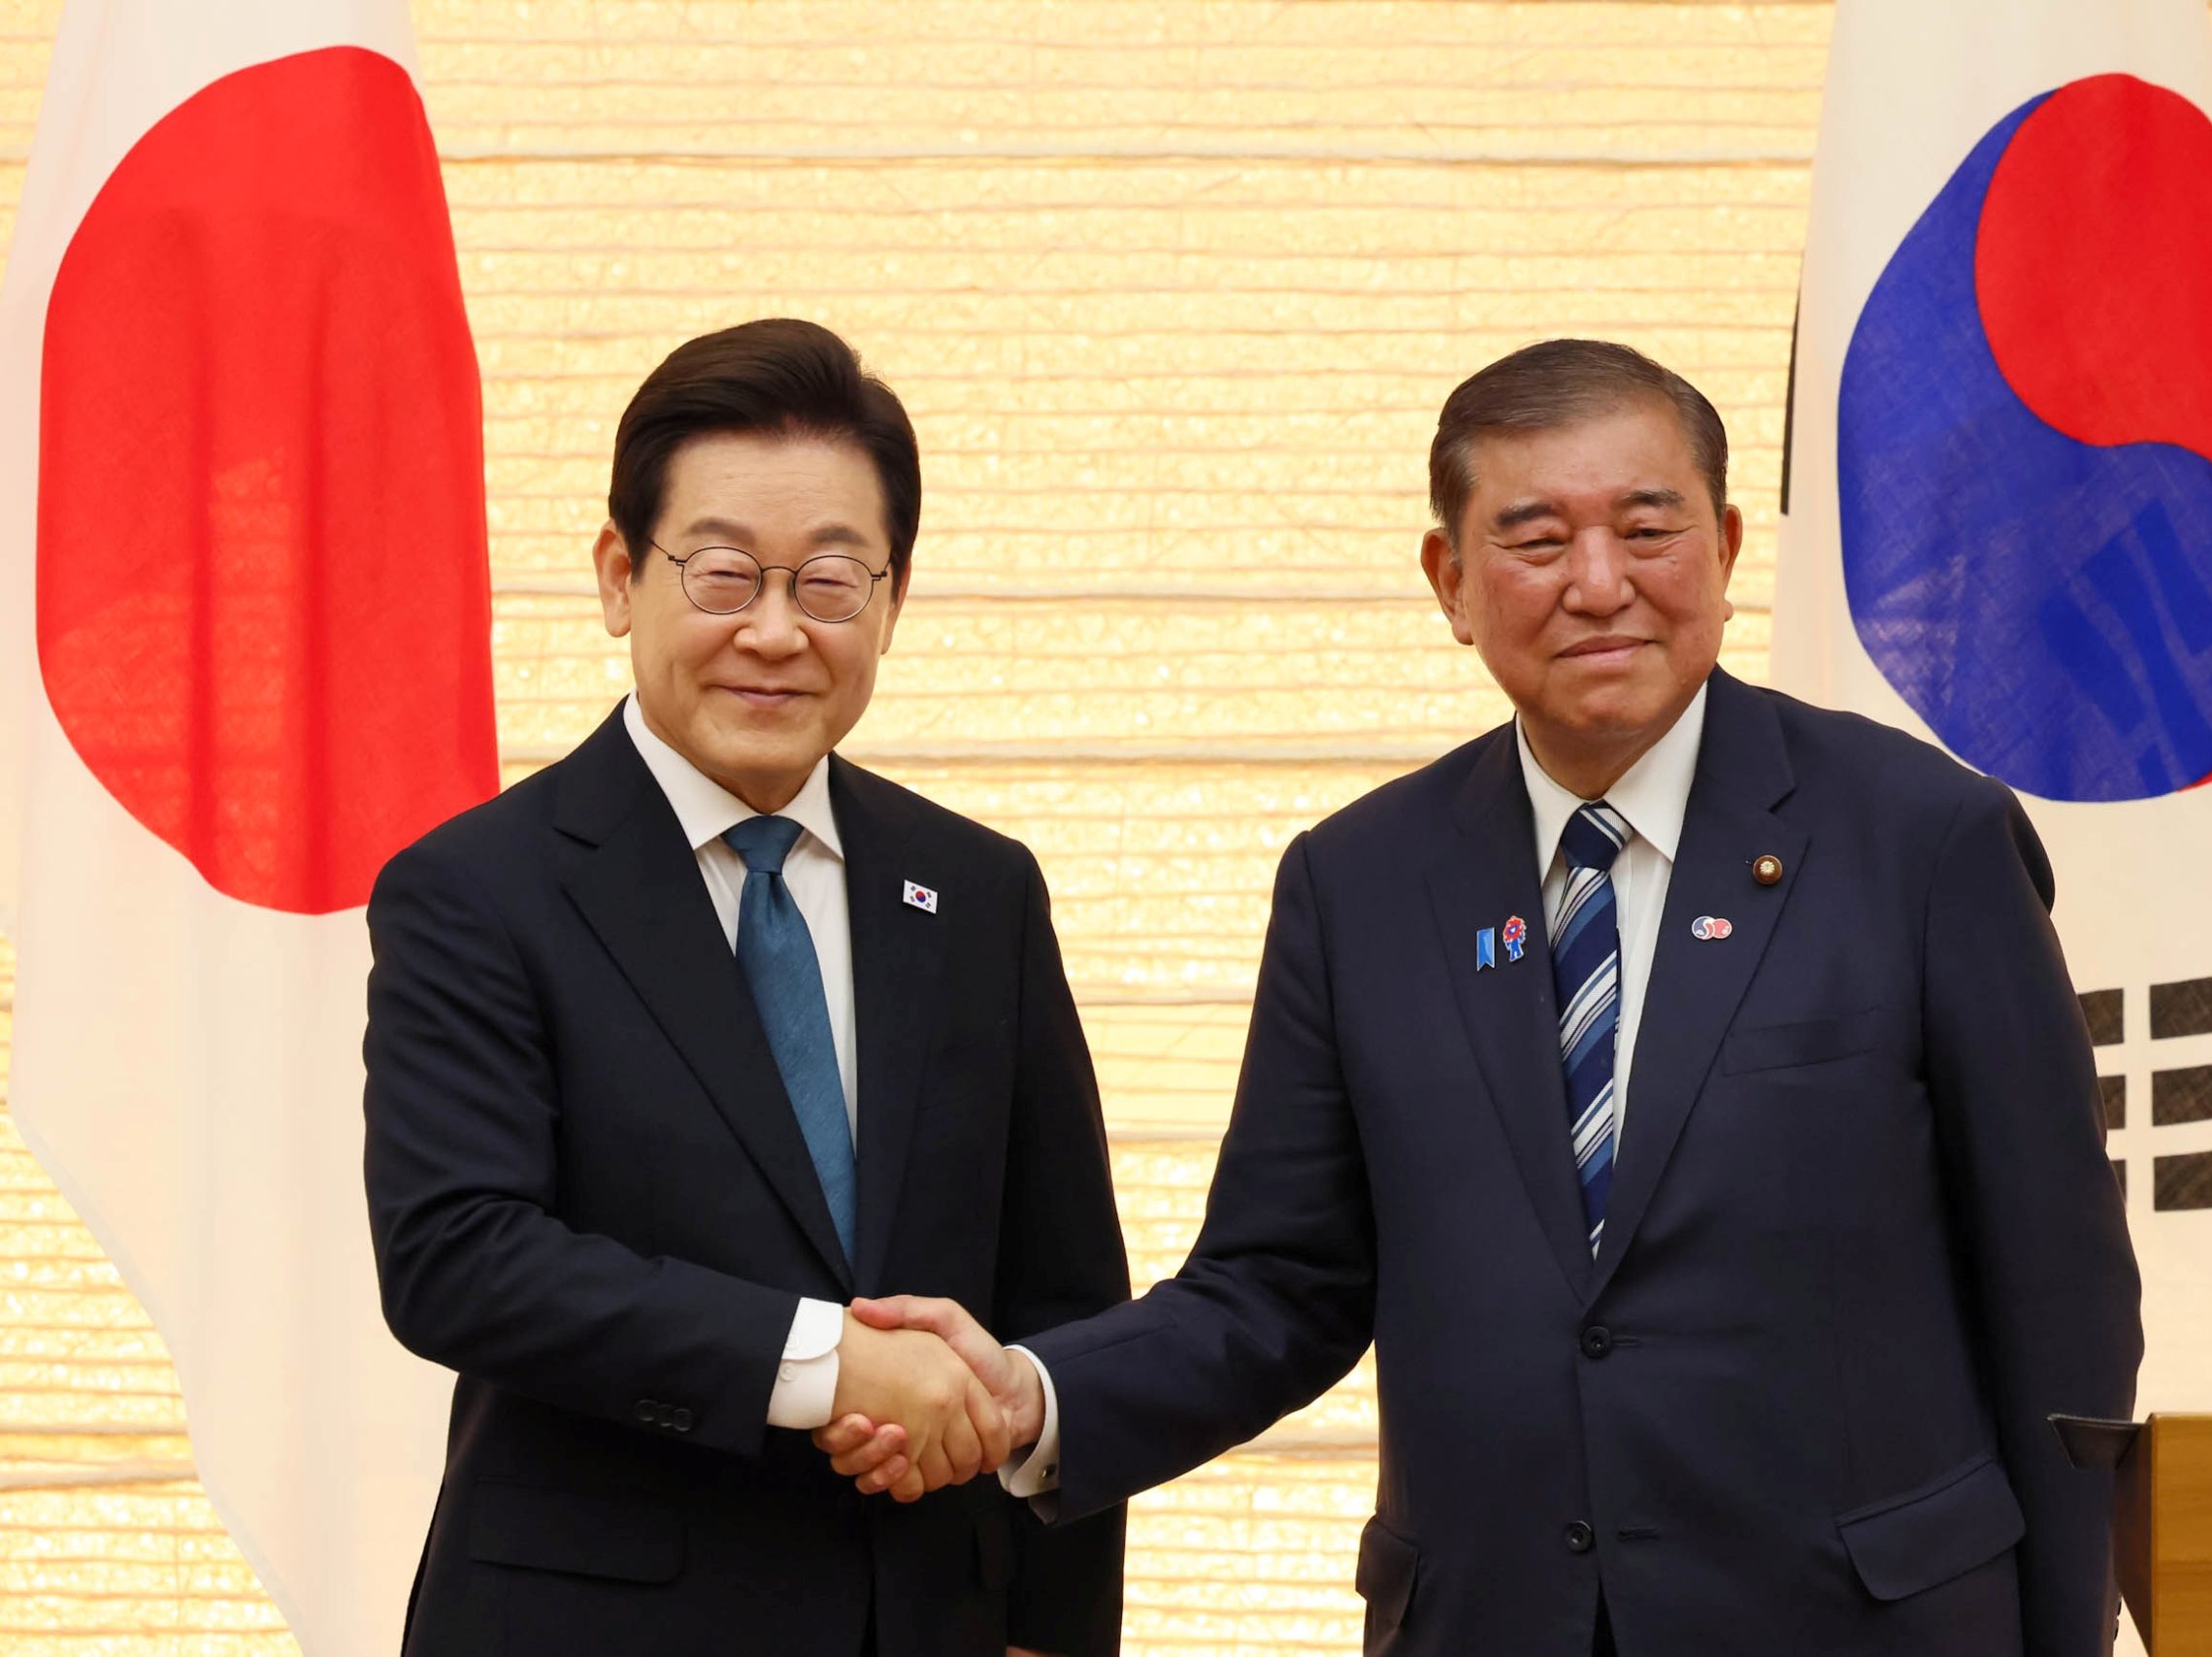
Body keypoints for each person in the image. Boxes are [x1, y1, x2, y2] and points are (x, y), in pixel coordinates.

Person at [822, 340, 2142, 1656]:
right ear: (1449, 581)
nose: (1600, 584)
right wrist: (1035, 1393)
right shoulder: (1361, 882)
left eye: (1648, 529)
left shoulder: (1923, 842)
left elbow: (2059, 1299)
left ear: (1728, 548)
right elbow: (1279, 1284)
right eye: (1536, 540)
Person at [363, 318, 1129, 1657]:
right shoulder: (476, 889)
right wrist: (824, 1365)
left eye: (829, 583)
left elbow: (1065, 1300)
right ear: (620, 578)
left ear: (892, 598)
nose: (774, 633)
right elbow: (460, 1259)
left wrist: (1054, 1634)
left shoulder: (978, 891)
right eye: (722, 575)